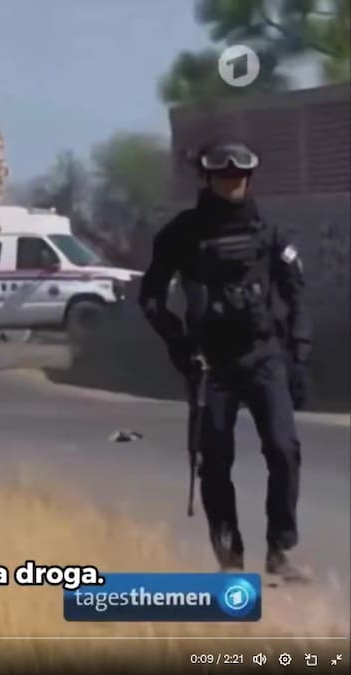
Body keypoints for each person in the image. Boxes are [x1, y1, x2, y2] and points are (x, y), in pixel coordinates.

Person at [138, 140, 312, 580]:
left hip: (264, 356)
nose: (232, 182)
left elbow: (295, 295)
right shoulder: (183, 233)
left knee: (284, 450)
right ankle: (230, 560)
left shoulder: (268, 229)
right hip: (210, 364)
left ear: (249, 178)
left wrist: (299, 356)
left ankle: (281, 551)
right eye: (222, 175)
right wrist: (178, 344)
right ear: (207, 179)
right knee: (214, 462)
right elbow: (151, 296)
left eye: (239, 176)